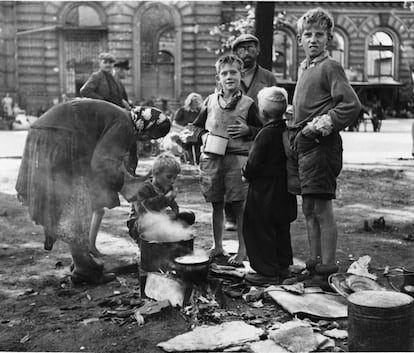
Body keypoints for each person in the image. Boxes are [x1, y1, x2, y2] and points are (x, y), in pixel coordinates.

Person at [15, 99, 171, 285]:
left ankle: (80, 261)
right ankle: (83, 268)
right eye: (149, 137)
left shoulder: (123, 117)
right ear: (146, 129)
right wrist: (123, 185)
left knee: (78, 199)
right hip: (59, 137)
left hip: (52, 133)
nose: (145, 140)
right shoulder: (124, 125)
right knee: (76, 201)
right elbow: (102, 163)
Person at [285, 8, 361, 289]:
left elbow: (350, 105)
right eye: (308, 34)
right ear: (300, 39)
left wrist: (319, 125)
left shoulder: (330, 66)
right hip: (303, 147)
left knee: (322, 208)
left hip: (321, 146)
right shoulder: (306, 67)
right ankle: (314, 265)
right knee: (308, 209)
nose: (313, 39)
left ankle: (328, 270)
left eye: (319, 34)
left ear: (328, 39)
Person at [189, 54, 262, 266]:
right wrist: (203, 135)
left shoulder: (249, 104)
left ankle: (243, 249)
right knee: (216, 204)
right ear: (218, 77)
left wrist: (249, 129)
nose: (229, 77)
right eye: (224, 73)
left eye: (234, 72)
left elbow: (263, 131)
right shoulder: (210, 101)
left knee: (240, 205)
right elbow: (197, 126)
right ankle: (218, 245)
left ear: (242, 75)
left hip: (236, 160)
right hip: (212, 159)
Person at [242, 87, 297, 286]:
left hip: (264, 190)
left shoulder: (265, 134)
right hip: (284, 189)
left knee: (259, 228)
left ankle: (266, 272)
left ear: (262, 112)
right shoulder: (287, 129)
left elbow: (253, 163)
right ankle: (283, 267)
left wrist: (245, 173)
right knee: (281, 228)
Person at [223, 33, 278, 231]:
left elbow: (275, 109)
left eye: (251, 48)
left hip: (259, 133)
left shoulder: (268, 77)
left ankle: (256, 214)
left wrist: (252, 129)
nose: (247, 52)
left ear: (258, 51)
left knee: (258, 175)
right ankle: (230, 215)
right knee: (231, 172)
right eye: (242, 49)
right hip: (233, 133)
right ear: (236, 52)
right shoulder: (229, 75)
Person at [80, 54, 133, 257]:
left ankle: (90, 246)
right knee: (93, 206)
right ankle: (87, 248)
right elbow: (85, 91)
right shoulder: (97, 77)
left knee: (98, 208)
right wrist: (106, 104)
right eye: (106, 62)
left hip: (111, 125)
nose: (109, 65)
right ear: (100, 63)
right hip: (103, 124)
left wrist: (124, 104)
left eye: (111, 63)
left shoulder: (114, 80)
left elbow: (120, 98)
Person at [127, 152, 195, 242]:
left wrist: (174, 213)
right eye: (169, 177)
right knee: (147, 222)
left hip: (160, 220)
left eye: (175, 177)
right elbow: (144, 208)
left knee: (188, 216)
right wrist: (165, 198)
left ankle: (169, 239)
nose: (173, 181)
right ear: (156, 174)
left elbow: (173, 205)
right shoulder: (144, 188)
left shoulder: (167, 187)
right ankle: (144, 246)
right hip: (140, 221)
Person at [174, 92, 203, 164]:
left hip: (196, 131)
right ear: (190, 102)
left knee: (198, 139)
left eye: (197, 102)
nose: (196, 104)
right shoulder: (182, 110)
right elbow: (174, 123)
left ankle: (196, 159)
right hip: (184, 130)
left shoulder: (200, 111)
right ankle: (188, 157)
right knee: (188, 138)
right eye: (194, 102)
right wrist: (184, 128)